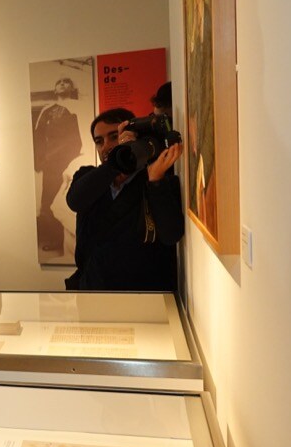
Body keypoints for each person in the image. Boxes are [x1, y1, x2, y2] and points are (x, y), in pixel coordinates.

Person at [64, 107, 184, 291]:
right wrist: (118, 161)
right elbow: (75, 201)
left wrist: (155, 182)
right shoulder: (88, 176)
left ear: (136, 137)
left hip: (147, 297)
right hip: (92, 290)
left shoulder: (158, 178)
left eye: (114, 137)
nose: (106, 146)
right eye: (99, 141)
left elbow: (171, 235)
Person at [32, 78, 83, 253]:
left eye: (66, 81)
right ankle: (55, 239)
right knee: (49, 201)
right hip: (50, 164)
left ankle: (73, 242)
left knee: (69, 201)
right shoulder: (47, 110)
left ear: (72, 87)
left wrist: (73, 159)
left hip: (69, 162)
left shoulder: (77, 107)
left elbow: (78, 136)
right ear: (55, 88)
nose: (62, 84)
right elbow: (38, 137)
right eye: (59, 82)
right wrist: (40, 160)